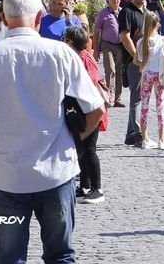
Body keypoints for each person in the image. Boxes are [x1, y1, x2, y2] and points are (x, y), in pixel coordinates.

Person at [0, 0, 104, 264]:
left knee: (10, 259)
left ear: (3, 17)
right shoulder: (62, 54)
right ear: (39, 17)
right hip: (56, 173)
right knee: (60, 256)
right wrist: (74, 141)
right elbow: (96, 110)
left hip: (7, 178)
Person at [64, 25, 108, 203]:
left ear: (70, 42)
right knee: (81, 149)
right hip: (83, 110)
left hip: (91, 111)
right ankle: (85, 185)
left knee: (89, 150)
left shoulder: (84, 58)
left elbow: (89, 83)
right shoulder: (78, 57)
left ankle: (98, 189)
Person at [136, 11, 164, 150]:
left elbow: (137, 60)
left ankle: (145, 139)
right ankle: (161, 139)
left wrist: (145, 65)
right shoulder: (163, 40)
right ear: (157, 24)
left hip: (147, 75)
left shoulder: (141, 42)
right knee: (160, 107)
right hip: (160, 76)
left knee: (144, 107)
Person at [118, 0, 148, 147]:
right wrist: (137, 57)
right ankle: (136, 133)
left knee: (141, 96)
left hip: (146, 61)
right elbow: (124, 36)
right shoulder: (127, 12)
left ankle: (130, 134)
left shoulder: (145, 12)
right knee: (137, 98)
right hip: (133, 61)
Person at [92, 0, 125, 107]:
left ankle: (117, 98)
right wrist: (96, 50)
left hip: (121, 46)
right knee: (110, 70)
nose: (116, 0)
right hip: (107, 46)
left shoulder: (123, 13)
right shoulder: (103, 14)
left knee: (120, 72)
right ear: (109, 0)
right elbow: (96, 33)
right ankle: (109, 97)